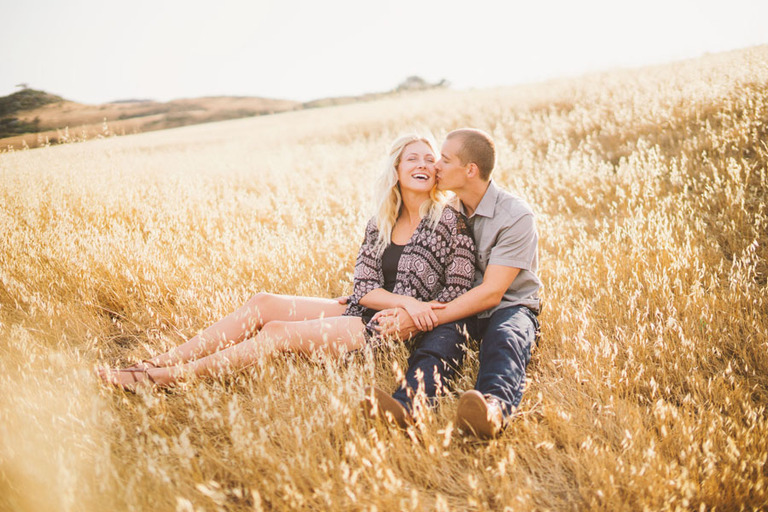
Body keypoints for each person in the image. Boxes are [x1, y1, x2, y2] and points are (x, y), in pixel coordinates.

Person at [98, 134, 476, 392]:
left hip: (394, 329)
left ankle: (164, 378)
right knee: (263, 302)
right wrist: (402, 300)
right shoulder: (380, 223)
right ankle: (153, 362)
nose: (423, 164)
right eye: (412, 158)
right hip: (367, 308)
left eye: (430, 159)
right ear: (396, 170)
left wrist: (410, 311)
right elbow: (364, 288)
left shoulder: (449, 220)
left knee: (277, 330)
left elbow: (457, 292)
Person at [365, 128, 541, 438]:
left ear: (470, 170)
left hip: (509, 305)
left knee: (505, 340)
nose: (435, 167)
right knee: (438, 346)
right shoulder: (446, 211)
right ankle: (408, 406)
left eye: (444, 160)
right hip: (457, 303)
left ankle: (492, 411)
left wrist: (421, 319)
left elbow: (491, 293)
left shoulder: (515, 216)